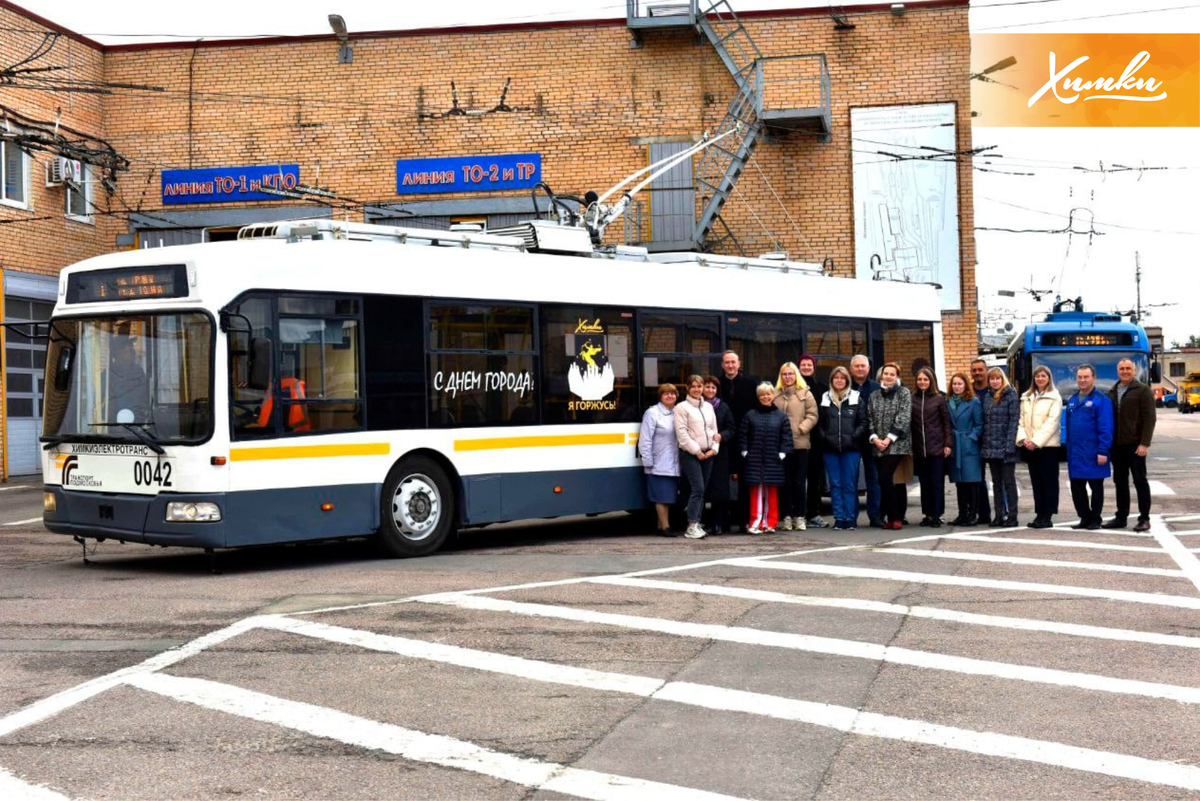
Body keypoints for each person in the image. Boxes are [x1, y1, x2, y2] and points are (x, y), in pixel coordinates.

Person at [1104, 358, 1156, 532]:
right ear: (1117, 371)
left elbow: (1150, 419)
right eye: (1122, 369)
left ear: (1134, 371)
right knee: (1120, 481)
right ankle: (1121, 517)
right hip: (1116, 446)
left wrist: (1144, 443)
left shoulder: (1142, 390)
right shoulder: (1111, 392)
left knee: (1140, 480)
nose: (1125, 371)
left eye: (1128, 368)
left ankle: (1144, 518)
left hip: (1135, 445)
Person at [816, 366, 866, 531]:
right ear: (832, 380)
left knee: (850, 485)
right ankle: (839, 518)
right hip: (830, 450)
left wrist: (853, 438)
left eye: (842, 378)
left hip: (851, 449)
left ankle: (850, 518)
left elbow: (863, 423)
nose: (839, 380)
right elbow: (819, 424)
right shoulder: (824, 398)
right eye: (836, 378)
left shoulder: (856, 398)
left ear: (847, 380)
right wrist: (825, 439)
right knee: (835, 485)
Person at [740, 381, 794, 534]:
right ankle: (755, 523)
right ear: (758, 397)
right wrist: (745, 452)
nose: (766, 397)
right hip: (754, 461)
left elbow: (787, 437)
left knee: (771, 494)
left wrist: (782, 453)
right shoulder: (750, 414)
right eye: (762, 394)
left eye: (768, 394)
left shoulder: (781, 416)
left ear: (773, 395)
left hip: (774, 461)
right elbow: (742, 434)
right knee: (755, 494)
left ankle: (770, 523)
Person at [1065, 364, 1114, 530]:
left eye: (1086, 377)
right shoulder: (1072, 400)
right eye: (1079, 377)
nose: (1082, 380)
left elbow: (1106, 427)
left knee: (1096, 487)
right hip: (1076, 453)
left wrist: (1103, 450)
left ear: (1093, 378)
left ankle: (1095, 518)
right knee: (1077, 487)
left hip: (1094, 452)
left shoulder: (1101, 400)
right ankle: (1084, 517)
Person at [866, 362, 912, 530]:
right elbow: (869, 417)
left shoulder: (904, 393)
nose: (888, 377)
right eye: (886, 374)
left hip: (897, 444)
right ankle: (890, 516)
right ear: (881, 375)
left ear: (897, 377)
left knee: (885, 477)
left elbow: (904, 417)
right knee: (887, 481)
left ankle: (895, 517)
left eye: (892, 374)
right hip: (878, 444)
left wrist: (889, 439)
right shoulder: (874, 395)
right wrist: (875, 438)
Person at [773, 361, 817, 532]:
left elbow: (813, 415)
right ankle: (786, 517)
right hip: (781, 446)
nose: (788, 377)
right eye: (784, 374)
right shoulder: (775, 395)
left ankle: (800, 516)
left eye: (791, 374)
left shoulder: (805, 393)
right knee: (785, 483)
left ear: (796, 375)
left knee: (799, 482)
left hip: (800, 444)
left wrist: (801, 428)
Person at [674, 374, 720, 539]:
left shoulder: (708, 407)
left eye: (699, 386)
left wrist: (714, 449)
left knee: (702, 490)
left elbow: (714, 430)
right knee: (698, 488)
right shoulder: (681, 407)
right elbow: (682, 434)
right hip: (690, 454)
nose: (697, 389)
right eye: (693, 386)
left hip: (708, 454)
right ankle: (691, 525)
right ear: (687, 388)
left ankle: (697, 522)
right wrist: (697, 451)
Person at [1017, 365, 1063, 529]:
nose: (1040, 379)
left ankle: (1048, 515)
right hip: (1030, 447)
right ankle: (1039, 514)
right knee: (1036, 482)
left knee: (1048, 482)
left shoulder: (1055, 397)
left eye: (1043, 376)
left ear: (1049, 378)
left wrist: (1036, 442)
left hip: (1047, 447)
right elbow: (1021, 421)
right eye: (1037, 376)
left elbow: (1052, 423)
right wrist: (1024, 440)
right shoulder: (1026, 397)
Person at [719, 350, 758, 531]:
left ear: (739, 363)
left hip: (745, 438)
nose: (730, 365)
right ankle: (723, 522)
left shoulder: (751, 384)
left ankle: (744, 521)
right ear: (722, 365)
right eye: (727, 362)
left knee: (745, 482)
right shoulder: (716, 384)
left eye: (733, 362)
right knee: (721, 482)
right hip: (723, 439)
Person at [911, 367, 951, 527]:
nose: (922, 382)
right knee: (924, 483)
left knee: (936, 483)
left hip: (937, 448)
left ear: (931, 381)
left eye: (925, 379)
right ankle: (927, 514)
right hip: (919, 449)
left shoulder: (939, 398)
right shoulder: (912, 398)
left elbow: (946, 423)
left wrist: (948, 444)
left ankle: (937, 514)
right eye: (920, 379)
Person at [638, 383, 681, 536]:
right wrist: (648, 462)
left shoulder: (678, 411)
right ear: (660, 396)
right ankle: (665, 527)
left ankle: (661, 525)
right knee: (661, 497)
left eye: (673, 393)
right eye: (666, 394)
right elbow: (645, 440)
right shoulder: (652, 413)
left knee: (668, 496)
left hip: (675, 462)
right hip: (658, 462)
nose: (670, 396)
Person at [980, 367, 1020, 527]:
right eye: (992, 379)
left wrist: (1009, 445)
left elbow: (1013, 422)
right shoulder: (988, 397)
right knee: (996, 484)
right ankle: (999, 515)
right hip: (991, 448)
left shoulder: (1011, 396)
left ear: (1003, 379)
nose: (995, 381)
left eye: (998, 378)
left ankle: (1012, 516)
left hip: (1006, 448)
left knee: (1009, 483)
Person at [849, 354, 884, 527]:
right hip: (852, 441)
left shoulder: (877, 388)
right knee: (852, 481)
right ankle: (851, 516)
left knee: (873, 480)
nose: (860, 368)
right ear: (851, 369)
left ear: (869, 368)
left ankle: (875, 516)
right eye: (857, 366)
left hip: (873, 440)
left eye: (863, 366)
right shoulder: (845, 388)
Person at [946, 372, 984, 525]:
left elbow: (979, 424)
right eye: (954, 384)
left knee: (971, 481)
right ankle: (962, 513)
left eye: (960, 384)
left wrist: (971, 438)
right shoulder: (948, 401)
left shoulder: (973, 402)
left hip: (969, 445)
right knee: (959, 482)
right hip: (955, 445)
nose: (957, 387)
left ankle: (973, 514)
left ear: (965, 385)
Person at [798, 354, 829, 528]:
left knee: (815, 479)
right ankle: (798, 513)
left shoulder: (822, 388)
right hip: (798, 440)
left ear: (814, 367)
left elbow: (825, 415)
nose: (807, 367)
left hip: (816, 441)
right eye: (803, 365)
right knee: (798, 479)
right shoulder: (793, 387)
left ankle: (813, 513)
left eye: (809, 365)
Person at [702, 375, 735, 534]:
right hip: (699, 453)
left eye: (713, 387)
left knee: (719, 490)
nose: (710, 390)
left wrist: (722, 435)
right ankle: (699, 521)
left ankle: (718, 523)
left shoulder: (723, 407)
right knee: (700, 488)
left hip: (720, 454)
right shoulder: (696, 406)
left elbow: (731, 428)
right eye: (707, 387)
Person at [968, 358, 993, 525]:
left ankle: (1003, 513)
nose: (977, 373)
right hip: (974, 442)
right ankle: (982, 514)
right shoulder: (967, 391)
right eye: (974, 370)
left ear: (986, 371)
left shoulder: (995, 388)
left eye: (980, 370)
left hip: (993, 441)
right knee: (977, 479)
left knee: (1001, 480)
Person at [108, 336, 148, 418]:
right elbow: (104, 405)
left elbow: (144, 399)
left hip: (137, 422)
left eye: (132, 350)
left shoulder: (138, 372)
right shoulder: (107, 375)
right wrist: (114, 423)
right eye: (128, 351)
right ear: (118, 354)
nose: (133, 353)